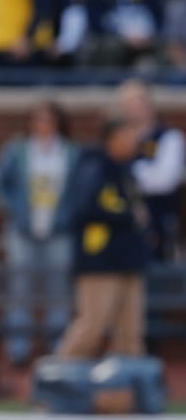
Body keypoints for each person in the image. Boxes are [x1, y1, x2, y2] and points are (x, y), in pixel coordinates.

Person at [0, 100, 80, 367]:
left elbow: (79, 187)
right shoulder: (17, 150)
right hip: (23, 230)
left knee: (58, 290)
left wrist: (70, 214)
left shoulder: (71, 152)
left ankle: (57, 348)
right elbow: (0, 185)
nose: (43, 126)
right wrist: (14, 210)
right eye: (39, 120)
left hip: (60, 230)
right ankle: (19, 350)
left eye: (49, 120)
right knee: (21, 288)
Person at [56, 115, 151, 359]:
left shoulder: (127, 169)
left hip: (129, 261)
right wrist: (129, 218)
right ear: (112, 139)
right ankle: (54, 382)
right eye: (128, 136)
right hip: (100, 262)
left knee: (130, 335)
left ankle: (121, 396)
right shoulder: (94, 167)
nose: (133, 142)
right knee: (92, 328)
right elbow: (84, 209)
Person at [116, 79, 185, 262]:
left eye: (139, 102)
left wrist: (131, 174)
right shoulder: (117, 139)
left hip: (159, 220)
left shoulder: (169, 137)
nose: (135, 109)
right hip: (122, 224)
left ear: (150, 104)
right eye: (129, 104)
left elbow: (165, 181)